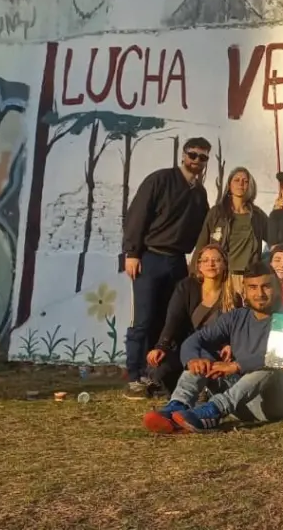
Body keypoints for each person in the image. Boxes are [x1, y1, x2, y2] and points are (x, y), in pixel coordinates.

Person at [141, 262, 283, 433]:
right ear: (244, 290)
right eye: (253, 287)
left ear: (277, 288)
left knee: (268, 368)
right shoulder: (236, 317)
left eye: (266, 287)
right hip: (235, 396)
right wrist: (193, 360)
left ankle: (214, 411)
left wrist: (236, 366)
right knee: (204, 356)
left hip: (267, 401)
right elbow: (196, 339)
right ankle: (177, 407)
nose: (259, 293)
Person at [122, 137, 211, 399]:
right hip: (150, 257)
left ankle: (157, 376)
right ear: (184, 155)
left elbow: (202, 229)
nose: (196, 161)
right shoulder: (159, 179)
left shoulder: (199, 192)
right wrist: (132, 252)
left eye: (202, 157)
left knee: (170, 321)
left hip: (177, 261)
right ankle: (135, 376)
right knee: (144, 319)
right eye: (193, 155)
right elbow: (138, 214)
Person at [145, 244, 240, 395]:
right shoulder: (187, 287)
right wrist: (161, 346)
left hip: (215, 352)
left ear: (224, 264)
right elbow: (173, 319)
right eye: (206, 260)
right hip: (186, 348)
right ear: (199, 266)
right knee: (160, 368)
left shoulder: (232, 297)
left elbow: (237, 328)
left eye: (216, 260)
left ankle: (205, 389)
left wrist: (230, 345)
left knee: (213, 369)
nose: (211, 264)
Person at [193, 166, 268, 292]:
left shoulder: (257, 215)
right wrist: (194, 273)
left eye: (245, 181)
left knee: (245, 312)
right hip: (221, 276)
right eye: (236, 180)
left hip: (248, 278)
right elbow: (202, 244)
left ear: (250, 186)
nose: (241, 183)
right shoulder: (217, 212)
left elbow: (276, 237)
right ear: (229, 184)